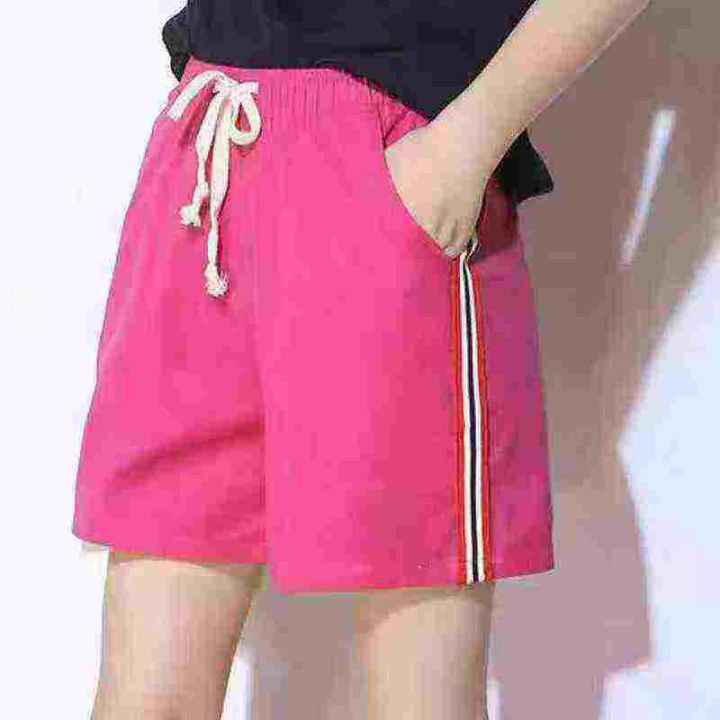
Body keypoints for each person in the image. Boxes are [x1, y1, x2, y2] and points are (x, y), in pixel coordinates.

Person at [72, 1, 653, 718]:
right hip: (208, 157)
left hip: (387, 153)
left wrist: (466, 143)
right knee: (145, 699)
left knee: (421, 696)